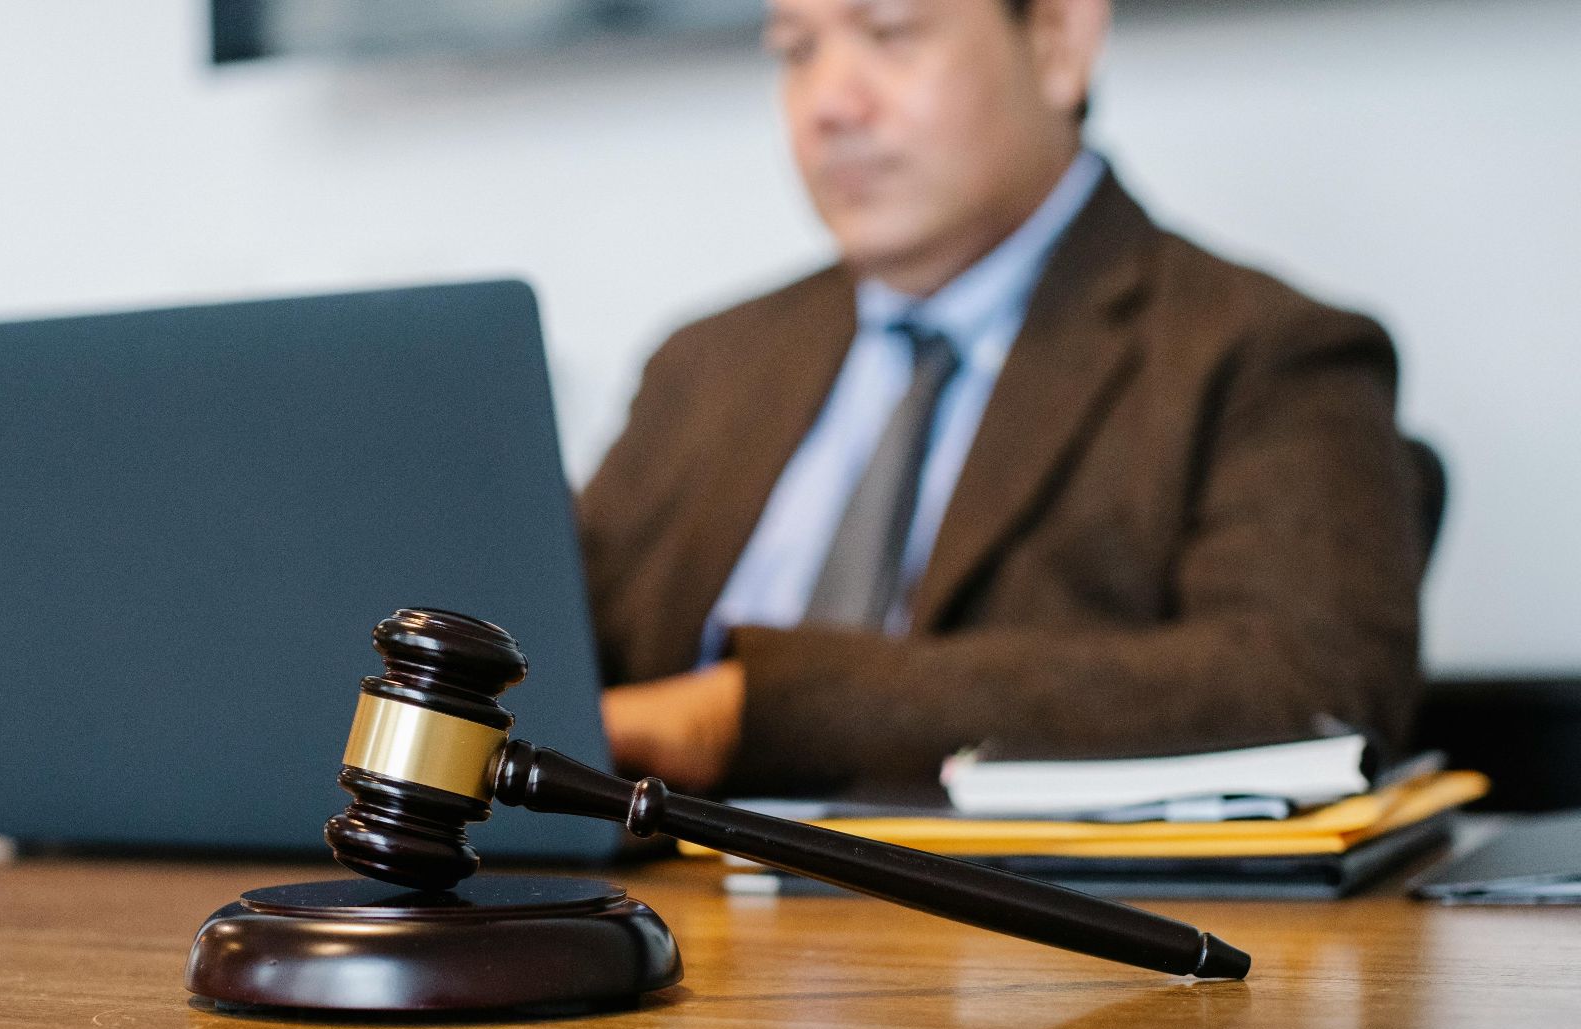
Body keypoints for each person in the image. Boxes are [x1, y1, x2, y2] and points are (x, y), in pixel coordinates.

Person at [580, 0, 1425, 794]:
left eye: (890, 32)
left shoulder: (1262, 352)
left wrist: (750, 712)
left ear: (1058, 42)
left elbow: (1306, 687)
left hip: (998, 903)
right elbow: (548, 646)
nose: (828, 105)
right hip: (636, 892)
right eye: (797, 52)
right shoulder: (705, 366)